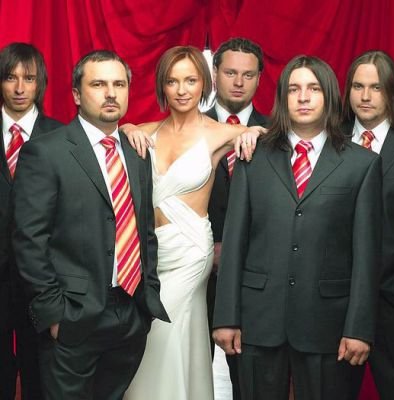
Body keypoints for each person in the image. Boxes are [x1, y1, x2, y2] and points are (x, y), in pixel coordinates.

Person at [213, 55, 382, 400]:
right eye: (294, 89)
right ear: (283, 97)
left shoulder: (362, 164)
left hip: (329, 325)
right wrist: (226, 316)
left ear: (329, 95)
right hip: (258, 320)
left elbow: (367, 255)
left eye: (313, 89)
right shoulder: (252, 157)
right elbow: (234, 241)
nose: (303, 97)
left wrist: (359, 328)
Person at [12, 50, 169, 400]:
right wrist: (55, 314)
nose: (111, 93)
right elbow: (29, 240)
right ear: (76, 94)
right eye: (98, 84)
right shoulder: (46, 152)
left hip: (129, 315)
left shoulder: (137, 153)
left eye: (119, 84)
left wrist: (147, 294)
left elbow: (145, 232)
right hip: (73, 318)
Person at [123, 45, 264, 400]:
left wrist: (252, 133)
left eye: (190, 80)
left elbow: (266, 134)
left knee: (163, 333)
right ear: (162, 86)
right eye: (172, 81)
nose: (182, 89)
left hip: (191, 251)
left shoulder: (218, 133)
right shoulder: (146, 132)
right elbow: (112, 137)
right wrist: (127, 127)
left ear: (204, 83)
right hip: (152, 254)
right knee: (156, 337)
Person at [206, 37, 269, 400]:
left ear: (259, 78)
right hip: (195, 274)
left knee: (251, 384)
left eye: (248, 74)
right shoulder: (189, 126)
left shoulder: (277, 133)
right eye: (230, 72)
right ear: (215, 74)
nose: (239, 82)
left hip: (252, 278)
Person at [0, 42, 62, 400]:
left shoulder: (61, 137)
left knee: (41, 374)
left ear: (41, 83)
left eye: (29, 78)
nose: (20, 88)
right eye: (11, 78)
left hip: (43, 278)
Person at [342, 50, 394, 400]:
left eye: (376, 87)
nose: (365, 96)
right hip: (335, 303)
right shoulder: (328, 141)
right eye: (358, 86)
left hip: (393, 304)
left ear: (391, 92)